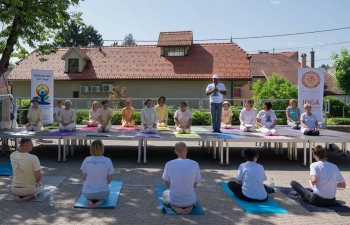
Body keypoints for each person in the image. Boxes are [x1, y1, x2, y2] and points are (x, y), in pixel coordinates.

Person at [162, 142, 202, 214]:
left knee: (164, 193)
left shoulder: (169, 164)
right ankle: (191, 206)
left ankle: (174, 206)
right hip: (190, 200)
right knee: (191, 194)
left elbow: (167, 183)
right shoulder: (195, 164)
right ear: (187, 150)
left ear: (175, 152)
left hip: (174, 200)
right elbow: (195, 184)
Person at [80, 140, 115, 207]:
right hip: (103, 193)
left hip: (87, 192)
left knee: (88, 192)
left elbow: (84, 177)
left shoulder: (86, 159)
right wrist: (103, 185)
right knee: (104, 195)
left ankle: (89, 199)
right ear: (102, 148)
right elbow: (110, 178)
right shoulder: (107, 160)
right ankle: (100, 200)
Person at [10, 138, 42, 202]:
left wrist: (21, 147)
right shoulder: (33, 158)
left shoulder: (12, 155)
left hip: (14, 189)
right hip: (29, 190)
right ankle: (30, 196)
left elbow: (17, 150)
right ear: (26, 147)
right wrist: (37, 183)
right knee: (40, 188)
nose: (33, 146)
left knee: (15, 189)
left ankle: (16, 195)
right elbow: (39, 177)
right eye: (31, 144)